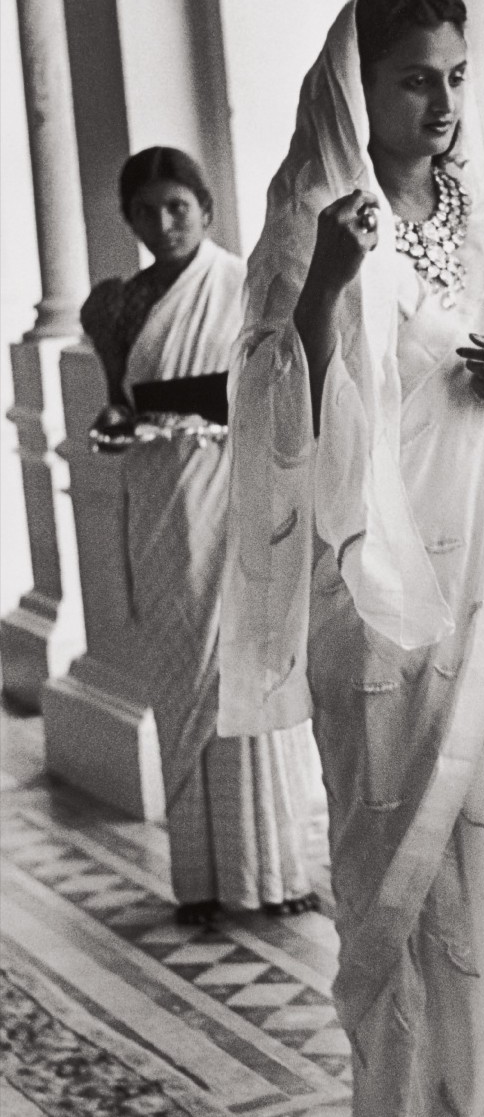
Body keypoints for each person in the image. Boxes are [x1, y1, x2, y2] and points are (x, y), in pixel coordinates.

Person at [219, 0, 484, 1117]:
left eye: (453, 77)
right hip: (383, 600)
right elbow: (282, 416)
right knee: (403, 871)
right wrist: (328, 282)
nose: (439, 103)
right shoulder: (308, 222)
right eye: (412, 79)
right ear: (355, 85)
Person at [81, 148, 321, 926]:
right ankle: (204, 880)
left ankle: (274, 870)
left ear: (206, 209)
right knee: (184, 673)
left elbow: (280, 385)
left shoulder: (244, 286)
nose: (163, 223)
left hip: (234, 495)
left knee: (242, 665)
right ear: (129, 219)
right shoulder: (115, 305)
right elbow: (122, 402)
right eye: (146, 211)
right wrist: (115, 423)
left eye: (177, 207)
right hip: (158, 496)